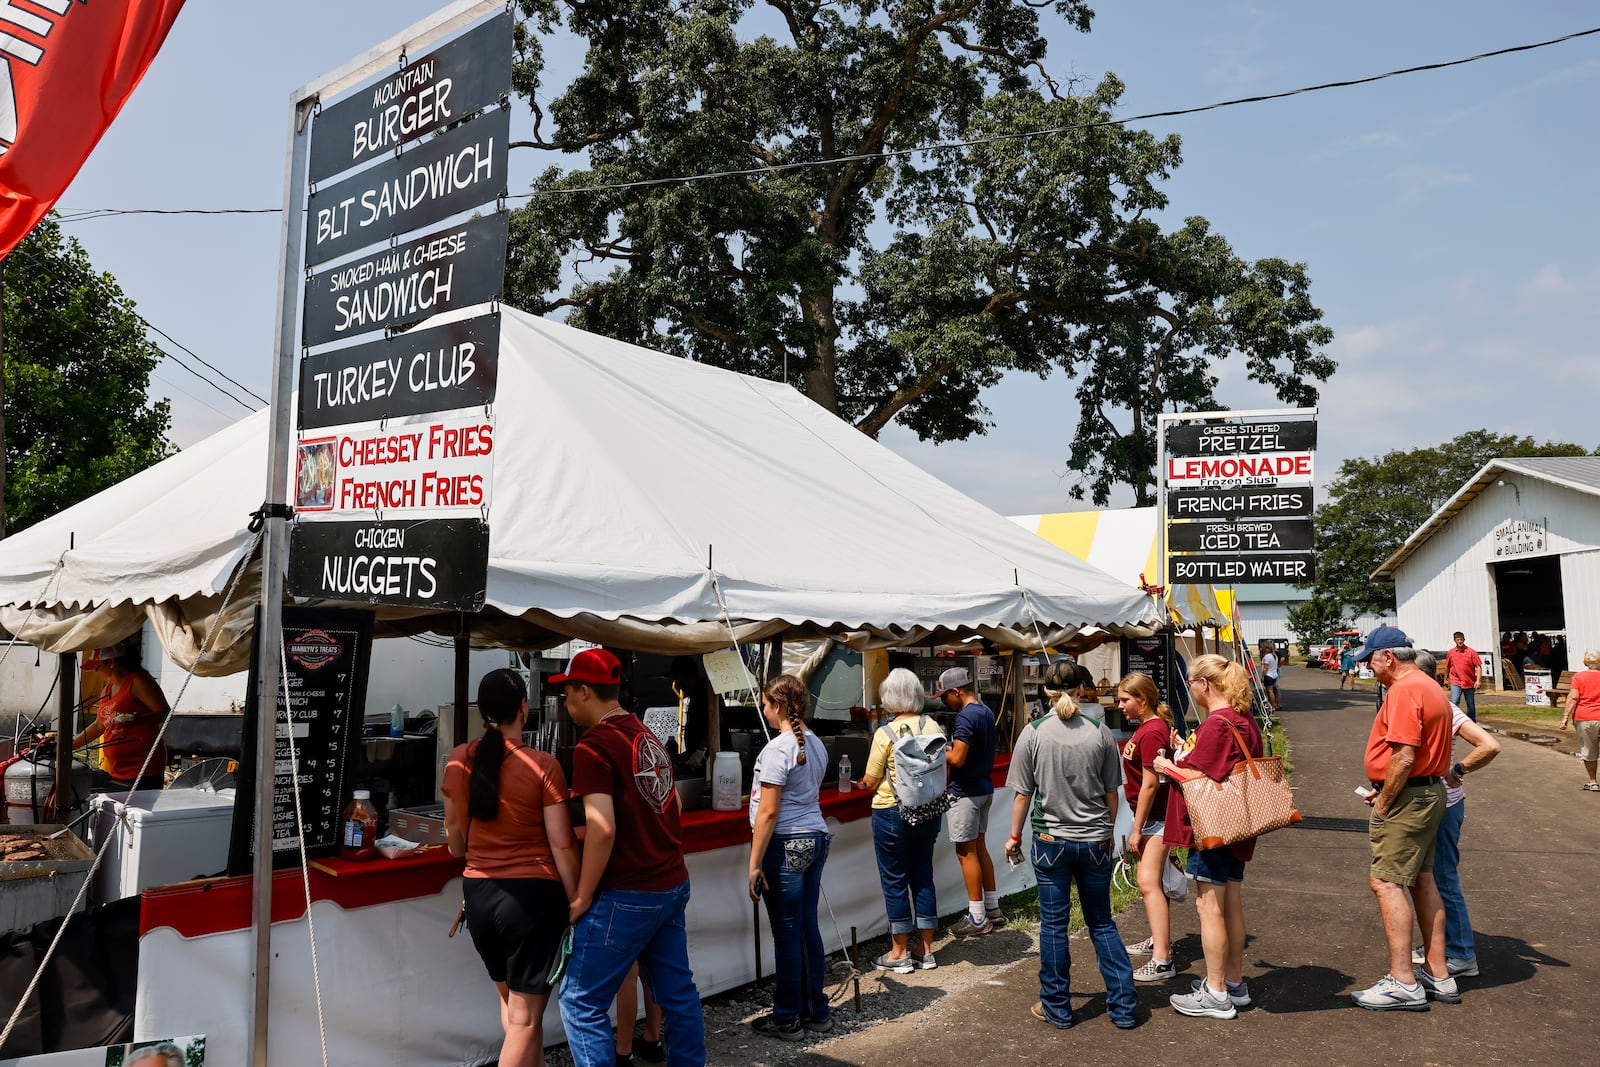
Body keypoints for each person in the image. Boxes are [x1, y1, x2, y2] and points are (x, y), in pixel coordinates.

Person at [554, 649, 706, 1067]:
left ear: (584, 691)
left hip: (628, 892)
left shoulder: (594, 746)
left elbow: (601, 827)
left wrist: (583, 897)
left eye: (567, 693)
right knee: (677, 993)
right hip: (671, 882)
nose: (565, 705)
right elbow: (672, 803)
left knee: (580, 1000)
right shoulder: (644, 733)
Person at [442, 669, 580, 1067]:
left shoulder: (458, 759)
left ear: (483, 711)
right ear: (524, 707)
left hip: (480, 896)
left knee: (514, 1008)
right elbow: (562, 842)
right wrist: (578, 897)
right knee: (524, 1018)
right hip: (531, 897)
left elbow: (455, 839)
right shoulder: (543, 765)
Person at [1004, 663, 1136, 1030]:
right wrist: (1109, 830)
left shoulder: (1032, 734)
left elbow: (1021, 795)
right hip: (1094, 839)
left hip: (1050, 842)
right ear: (1082, 689)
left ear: (1045, 693)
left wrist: (1013, 836)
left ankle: (1057, 1009)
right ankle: (1123, 1007)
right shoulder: (1100, 733)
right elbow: (1113, 793)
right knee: (1101, 923)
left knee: (1053, 926)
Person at [1347, 625, 1457, 1011]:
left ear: (1388, 657)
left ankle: (1402, 980)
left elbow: (1405, 754)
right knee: (1422, 879)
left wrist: (1384, 801)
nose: (1368, 669)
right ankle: (1437, 973)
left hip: (1410, 796)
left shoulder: (1404, 689)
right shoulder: (1429, 686)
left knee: (1386, 882)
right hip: (1426, 791)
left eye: (1370, 661)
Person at [1154, 655, 1264, 1021]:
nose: (1190, 689)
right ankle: (1233, 983)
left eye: (1190, 683)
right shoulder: (1243, 719)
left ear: (1204, 684)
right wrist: (1185, 755)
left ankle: (1216, 993)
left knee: (1209, 908)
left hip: (1213, 826)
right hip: (1239, 823)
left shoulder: (1217, 724)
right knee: (1231, 901)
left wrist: (1168, 765)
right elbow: (1219, 767)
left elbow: (1199, 779)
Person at [746, 673, 832, 1039]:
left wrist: (754, 863)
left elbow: (767, 813)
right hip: (815, 837)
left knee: (787, 933)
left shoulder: (778, 749)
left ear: (779, 706)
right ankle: (815, 1009)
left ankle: (786, 1016)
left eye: (766, 704)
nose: (763, 711)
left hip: (786, 843)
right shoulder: (816, 744)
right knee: (806, 927)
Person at [1410, 650, 1500, 979]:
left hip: (1442, 806)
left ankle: (1461, 953)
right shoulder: (1444, 707)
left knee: (1443, 879)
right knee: (1431, 879)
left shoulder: (1439, 708)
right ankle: (1442, 944)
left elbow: (1490, 745)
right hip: (1445, 801)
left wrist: (1457, 769)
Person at [855, 666, 945, 972]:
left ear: (889, 698)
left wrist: (858, 784)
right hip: (928, 810)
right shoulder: (933, 725)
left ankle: (899, 952)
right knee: (923, 876)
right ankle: (927, 949)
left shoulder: (885, 733)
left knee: (894, 880)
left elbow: (869, 780)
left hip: (891, 812)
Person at [1116, 672, 1178, 983]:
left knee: (1148, 883)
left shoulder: (1152, 731)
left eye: (1125, 700)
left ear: (1143, 701)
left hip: (1157, 817)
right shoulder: (1150, 728)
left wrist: (1137, 828)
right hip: (1153, 816)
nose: (1119, 705)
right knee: (1155, 883)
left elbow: (1151, 784)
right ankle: (1159, 939)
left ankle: (1163, 959)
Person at [936, 666, 1004, 936]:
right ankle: (993, 908)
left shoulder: (965, 718)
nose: (943, 701)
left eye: (945, 696)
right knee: (980, 848)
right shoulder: (985, 712)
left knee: (966, 853)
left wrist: (938, 750)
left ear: (956, 692)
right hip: (984, 787)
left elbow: (957, 759)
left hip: (965, 791)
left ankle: (977, 917)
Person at [71, 640, 171, 791]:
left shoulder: (138, 681)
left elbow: (164, 712)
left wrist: (138, 720)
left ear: (111, 662)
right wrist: (69, 746)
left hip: (143, 767)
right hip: (117, 769)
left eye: (98, 667)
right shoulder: (108, 688)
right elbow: (99, 725)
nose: (97, 672)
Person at [666, 655, 716, 773]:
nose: (678, 686)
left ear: (689, 676)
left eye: (680, 681)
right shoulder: (694, 694)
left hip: (710, 759)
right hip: (696, 757)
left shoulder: (706, 691)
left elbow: (717, 720)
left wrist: (701, 750)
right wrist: (687, 755)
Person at [1560, 648, 1600, 791]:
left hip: (1585, 718)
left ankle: (1593, 782)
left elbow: (1573, 698)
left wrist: (1565, 717)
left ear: (1585, 662)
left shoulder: (1579, 677)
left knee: (1589, 750)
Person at [1443, 632, 1482, 721]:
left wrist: (1478, 680)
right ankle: (1453, 721)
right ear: (1454, 640)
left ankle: (1471, 722)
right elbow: (1447, 666)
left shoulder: (1471, 652)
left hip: (1469, 681)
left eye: (1461, 639)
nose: (1460, 641)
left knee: (1470, 704)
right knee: (1455, 701)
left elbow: (1478, 666)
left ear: (1464, 640)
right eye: (1458, 640)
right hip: (1455, 681)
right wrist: (1446, 679)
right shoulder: (1451, 652)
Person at [1257, 641, 1281, 712]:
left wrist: (1262, 677)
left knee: (1270, 691)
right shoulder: (1274, 656)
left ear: (1267, 648)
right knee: (1272, 690)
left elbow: (1265, 668)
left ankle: (1273, 706)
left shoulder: (1267, 657)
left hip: (1269, 675)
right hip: (1274, 675)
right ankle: (1274, 704)